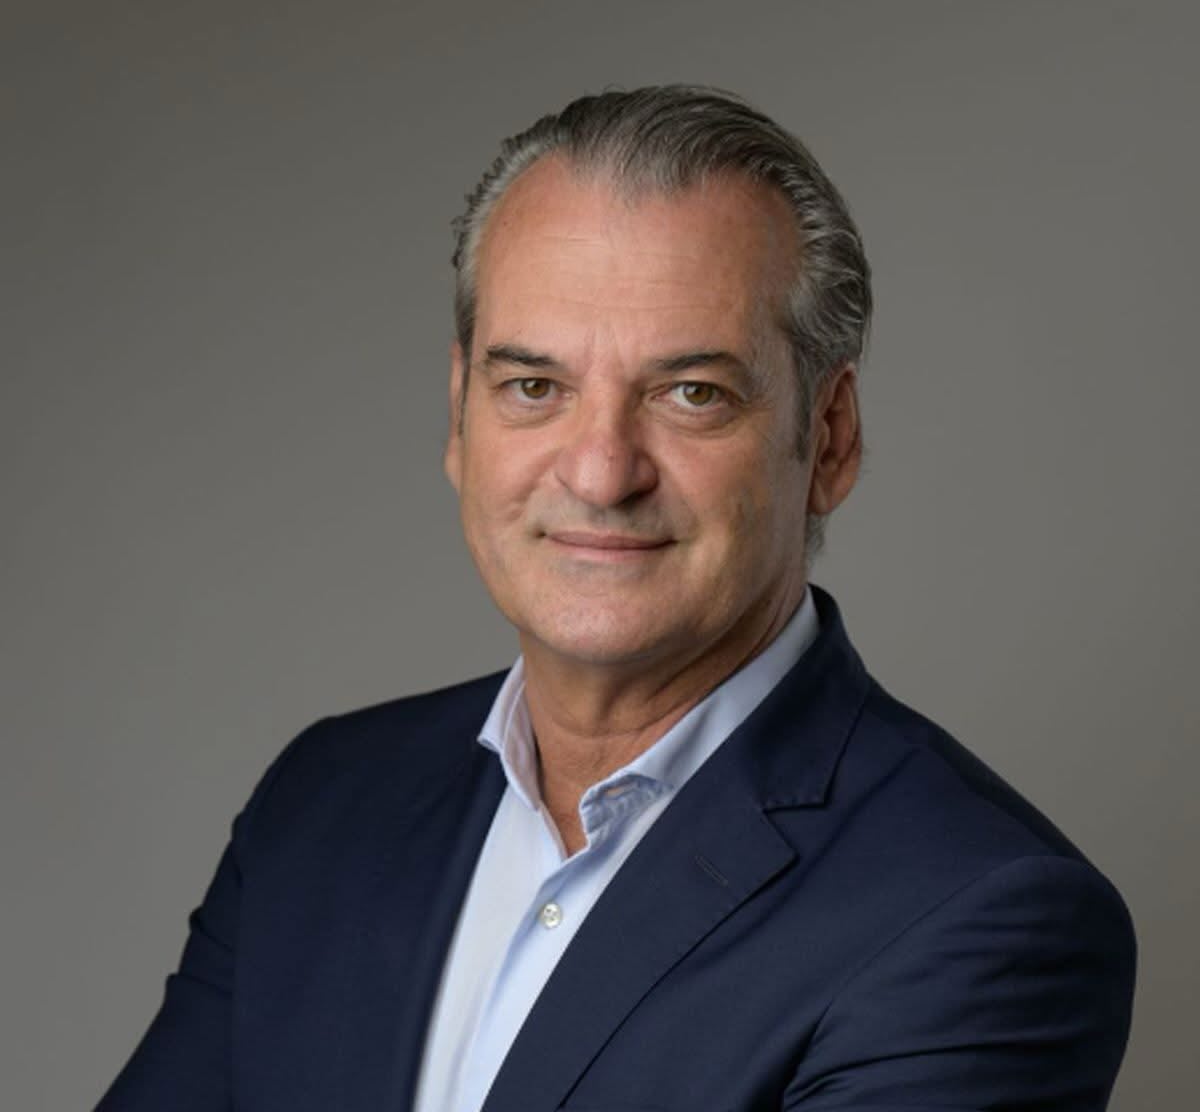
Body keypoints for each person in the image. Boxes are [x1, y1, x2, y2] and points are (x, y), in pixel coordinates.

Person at [97, 86, 1136, 1112]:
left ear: (829, 440)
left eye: (692, 394)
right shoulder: (324, 805)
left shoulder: (976, 915)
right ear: (459, 418)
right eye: (534, 387)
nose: (600, 472)